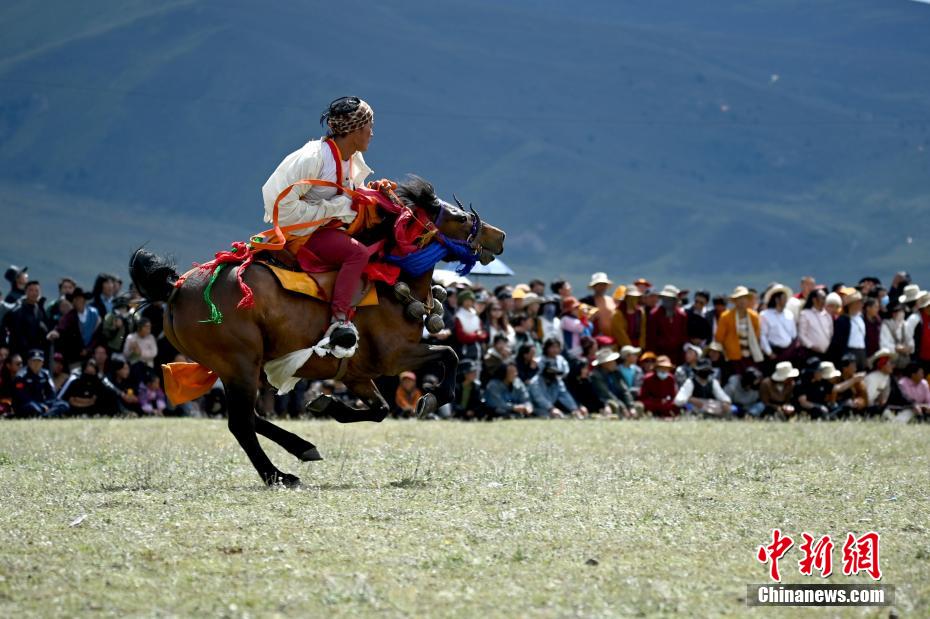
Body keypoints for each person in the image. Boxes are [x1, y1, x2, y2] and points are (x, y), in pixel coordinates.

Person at [261, 96, 377, 351]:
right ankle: (339, 320)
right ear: (355, 130)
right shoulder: (312, 158)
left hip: (326, 228)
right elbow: (278, 203)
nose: (372, 132)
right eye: (369, 125)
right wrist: (333, 209)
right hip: (304, 236)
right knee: (357, 253)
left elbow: (348, 194)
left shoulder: (349, 157)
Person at [528, 339, 586, 418]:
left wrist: (574, 409)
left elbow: (565, 395)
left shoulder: (557, 380)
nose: (555, 350)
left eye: (557, 347)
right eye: (552, 347)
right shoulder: (535, 381)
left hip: (550, 407)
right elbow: (538, 398)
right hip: (537, 408)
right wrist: (551, 408)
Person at [715, 286, 763, 373]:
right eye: (739, 298)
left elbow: (757, 335)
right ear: (735, 301)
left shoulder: (754, 316)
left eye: (744, 298)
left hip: (750, 355)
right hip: (732, 357)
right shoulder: (726, 316)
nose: (742, 301)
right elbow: (719, 337)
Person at [51, 287, 101, 368]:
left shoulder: (94, 314)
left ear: (84, 300)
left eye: (79, 299)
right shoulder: (70, 316)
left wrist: (88, 349)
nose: (76, 302)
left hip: (91, 354)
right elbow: (62, 326)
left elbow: (98, 334)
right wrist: (55, 332)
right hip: (75, 356)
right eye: (75, 300)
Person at [1, 281, 53, 358]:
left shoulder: (40, 310)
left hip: (36, 353)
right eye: (31, 290)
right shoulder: (18, 310)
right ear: (26, 292)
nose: (34, 293)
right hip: (20, 353)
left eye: (37, 290)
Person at [12, 350, 69, 418]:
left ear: (42, 363)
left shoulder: (45, 374)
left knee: (64, 405)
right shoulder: (21, 376)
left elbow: (51, 393)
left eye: (39, 361)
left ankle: (44, 416)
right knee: (33, 408)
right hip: (27, 404)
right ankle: (48, 414)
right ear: (29, 362)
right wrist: (41, 405)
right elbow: (23, 397)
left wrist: (47, 404)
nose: (36, 364)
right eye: (34, 361)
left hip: (43, 404)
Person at [590, 348, 638, 418]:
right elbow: (606, 394)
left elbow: (624, 390)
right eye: (612, 361)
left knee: (633, 400)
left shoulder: (616, 373)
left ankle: (632, 411)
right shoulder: (596, 375)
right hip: (602, 402)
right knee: (610, 404)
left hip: (618, 400)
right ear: (605, 364)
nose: (615, 363)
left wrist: (630, 406)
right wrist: (623, 407)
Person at [647, 285, 688, 365]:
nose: (666, 301)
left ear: (675, 300)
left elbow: (684, 336)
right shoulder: (654, 314)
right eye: (664, 298)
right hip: (659, 355)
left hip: (677, 356)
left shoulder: (681, 315)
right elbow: (651, 339)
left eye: (669, 299)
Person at [760, 284, 798, 366]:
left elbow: (793, 334)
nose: (786, 301)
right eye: (784, 298)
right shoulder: (765, 315)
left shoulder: (789, 314)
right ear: (777, 300)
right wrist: (769, 353)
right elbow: (762, 335)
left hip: (790, 352)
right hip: (775, 353)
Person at [828, 291, 866, 370]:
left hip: (861, 351)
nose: (861, 305)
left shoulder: (861, 318)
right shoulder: (842, 320)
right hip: (849, 352)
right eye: (859, 302)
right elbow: (838, 341)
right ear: (852, 304)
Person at [453, 290, 488, 363]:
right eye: (466, 300)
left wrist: (478, 335)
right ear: (462, 302)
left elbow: (483, 333)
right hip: (465, 352)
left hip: (478, 352)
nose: (469, 303)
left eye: (471, 300)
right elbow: (461, 337)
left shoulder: (475, 315)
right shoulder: (458, 316)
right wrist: (477, 335)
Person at [798, 288, 832, 356]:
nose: (824, 300)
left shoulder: (827, 315)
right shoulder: (805, 314)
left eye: (825, 298)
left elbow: (831, 333)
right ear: (814, 299)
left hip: (826, 352)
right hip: (810, 352)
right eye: (822, 298)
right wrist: (811, 346)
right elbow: (802, 335)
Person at [832, 353, 868, 418]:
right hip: (837, 407)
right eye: (853, 366)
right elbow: (832, 394)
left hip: (853, 407)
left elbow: (864, 398)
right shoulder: (836, 379)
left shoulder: (857, 381)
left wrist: (859, 402)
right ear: (845, 368)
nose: (856, 369)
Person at [581, 272, 616, 337]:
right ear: (594, 287)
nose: (602, 287)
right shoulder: (587, 301)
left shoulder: (611, 300)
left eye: (604, 284)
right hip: (595, 337)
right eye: (599, 285)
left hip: (613, 338)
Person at [863, 349, 895, 416]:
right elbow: (868, 399)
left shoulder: (887, 377)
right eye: (890, 363)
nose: (893, 366)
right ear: (882, 364)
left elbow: (884, 399)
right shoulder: (872, 377)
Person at [881, 304, 911, 370]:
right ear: (894, 314)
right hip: (891, 360)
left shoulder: (905, 324)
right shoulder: (886, 325)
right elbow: (883, 344)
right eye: (901, 312)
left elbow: (910, 341)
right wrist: (896, 348)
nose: (903, 314)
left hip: (904, 360)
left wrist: (908, 348)